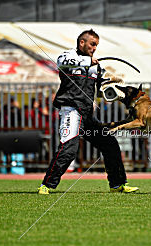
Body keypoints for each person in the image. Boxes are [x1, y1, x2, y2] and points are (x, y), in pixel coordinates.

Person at [38, 29, 139, 194]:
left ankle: (117, 184)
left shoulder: (96, 66)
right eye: (92, 44)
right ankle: (47, 185)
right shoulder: (67, 57)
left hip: (87, 115)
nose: (94, 48)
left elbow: (101, 89)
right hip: (71, 111)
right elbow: (62, 63)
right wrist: (89, 62)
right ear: (82, 43)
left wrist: (114, 85)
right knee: (69, 149)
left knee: (110, 144)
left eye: (96, 46)